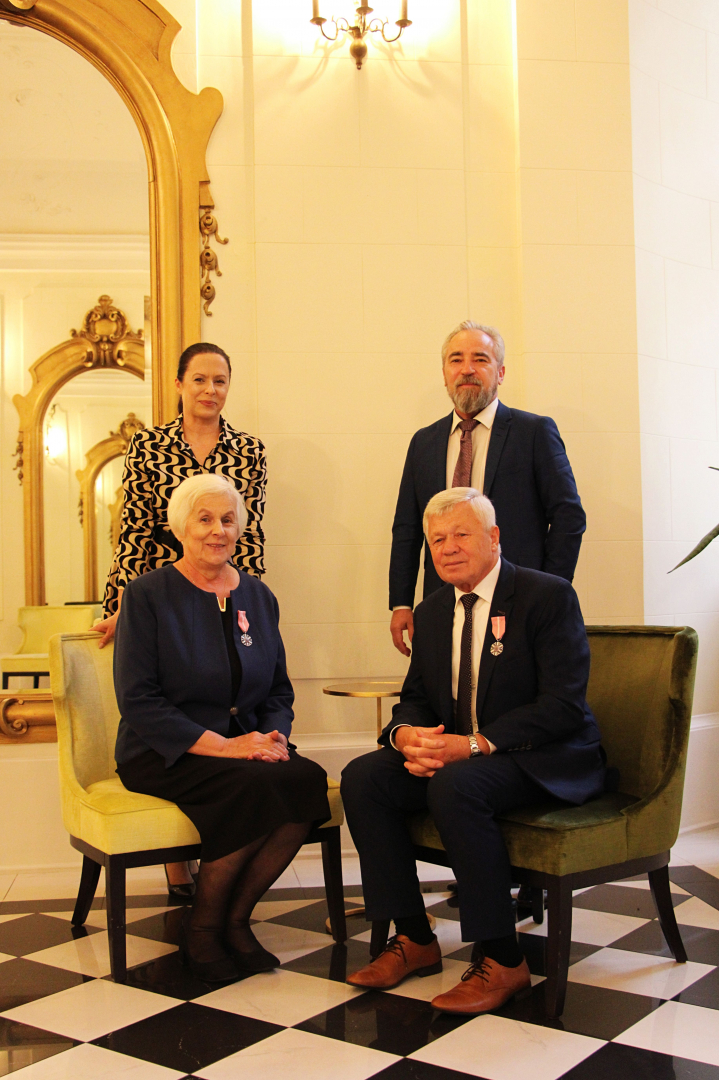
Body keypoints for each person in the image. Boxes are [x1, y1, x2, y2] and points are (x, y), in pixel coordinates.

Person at [342, 488, 605, 1014]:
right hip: (463, 755)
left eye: (461, 534)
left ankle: (503, 959)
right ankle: (414, 938)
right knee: (365, 777)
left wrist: (473, 745)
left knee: (456, 784)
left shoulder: (546, 596)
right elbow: (416, 697)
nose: (448, 548)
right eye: (437, 539)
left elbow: (562, 706)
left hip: (541, 755)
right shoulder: (432, 611)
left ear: (494, 537)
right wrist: (407, 736)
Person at [114, 473, 329, 983]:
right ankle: (204, 927)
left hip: (247, 747)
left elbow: (278, 689)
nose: (218, 530)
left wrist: (273, 737)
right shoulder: (147, 595)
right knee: (250, 786)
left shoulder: (258, 595)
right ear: (179, 528)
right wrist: (226, 747)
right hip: (164, 751)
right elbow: (139, 700)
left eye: (228, 519)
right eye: (205, 519)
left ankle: (234, 919)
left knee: (305, 779)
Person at [94, 341, 266, 896]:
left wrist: (251, 604)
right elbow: (134, 532)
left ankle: (220, 864)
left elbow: (250, 535)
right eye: (199, 380)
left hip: (225, 594)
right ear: (179, 385)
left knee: (225, 698)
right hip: (166, 599)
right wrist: (121, 605)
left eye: (220, 380)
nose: (210, 390)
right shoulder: (149, 446)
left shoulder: (248, 450)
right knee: (175, 701)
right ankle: (180, 863)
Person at [389, 321, 585, 657]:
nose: (467, 369)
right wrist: (401, 603)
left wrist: (549, 589)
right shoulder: (424, 442)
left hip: (518, 597)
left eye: (480, 359)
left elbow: (569, 516)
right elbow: (407, 528)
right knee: (448, 685)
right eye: (456, 359)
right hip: (442, 600)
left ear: (501, 372)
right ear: (444, 373)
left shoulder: (534, 432)